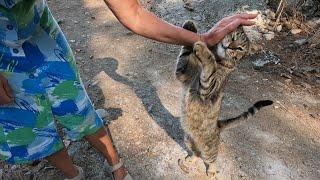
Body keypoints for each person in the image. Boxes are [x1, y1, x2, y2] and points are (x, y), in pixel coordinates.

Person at [0, 0, 257, 179]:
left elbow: (133, 13)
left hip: (36, 27)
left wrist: (201, 40)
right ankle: (73, 174)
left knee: (73, 103)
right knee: (29, 126)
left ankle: (117, 165)